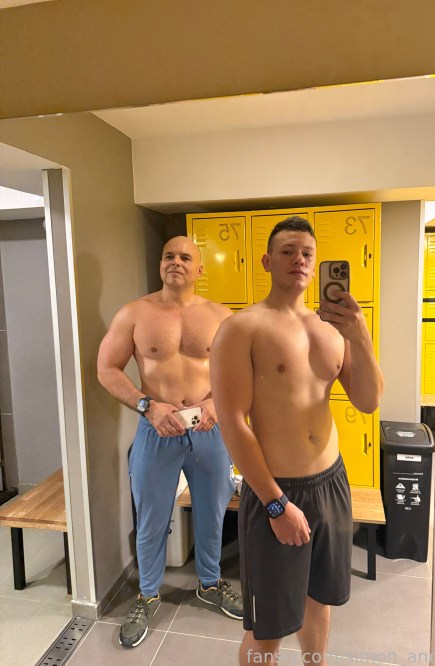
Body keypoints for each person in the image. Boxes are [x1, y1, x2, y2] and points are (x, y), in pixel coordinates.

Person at [210, 216, 383, 665]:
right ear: (267, 261)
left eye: (307, 253)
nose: (299, 259)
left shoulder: (333, 328)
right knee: (267, 626)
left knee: (319, 599)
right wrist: (275, 504)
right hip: (277, 490)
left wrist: (359, 333)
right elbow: (232, 421)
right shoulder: (242, 327)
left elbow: (368, 401)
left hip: (331, 482)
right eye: (287, 251)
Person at [97, 235, 243, 649]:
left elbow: (241, 370)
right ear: (160, 264)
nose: (175, 262)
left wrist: (216, 402)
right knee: (151, 518)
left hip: (208, 431)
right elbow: (107, 368)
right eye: (168, 256)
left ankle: (210, 584)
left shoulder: (221, 316)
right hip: (156, 430)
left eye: (185, 257)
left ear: (200, 269)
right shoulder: (135, 314)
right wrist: (147, 406)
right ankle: (147, 595)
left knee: (213, 512)